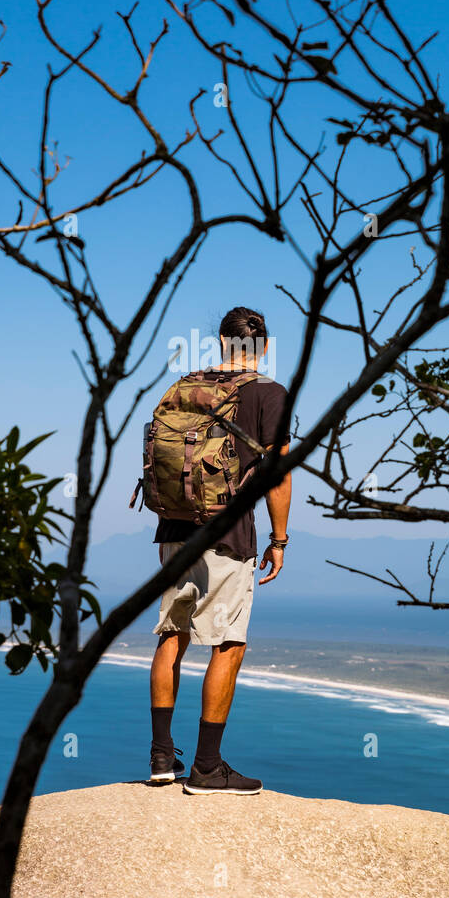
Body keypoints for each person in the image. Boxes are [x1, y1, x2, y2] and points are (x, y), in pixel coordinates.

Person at [148, 306, 291, 795]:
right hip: (227, 536)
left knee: (173, 633)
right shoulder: (269, 394)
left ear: (222, 344)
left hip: (172, 529)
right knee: (229, 643)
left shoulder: (184, 388)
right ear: (264, 348)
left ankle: (161, 757)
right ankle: (207, 768)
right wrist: (279, 538)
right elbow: (279, 474)